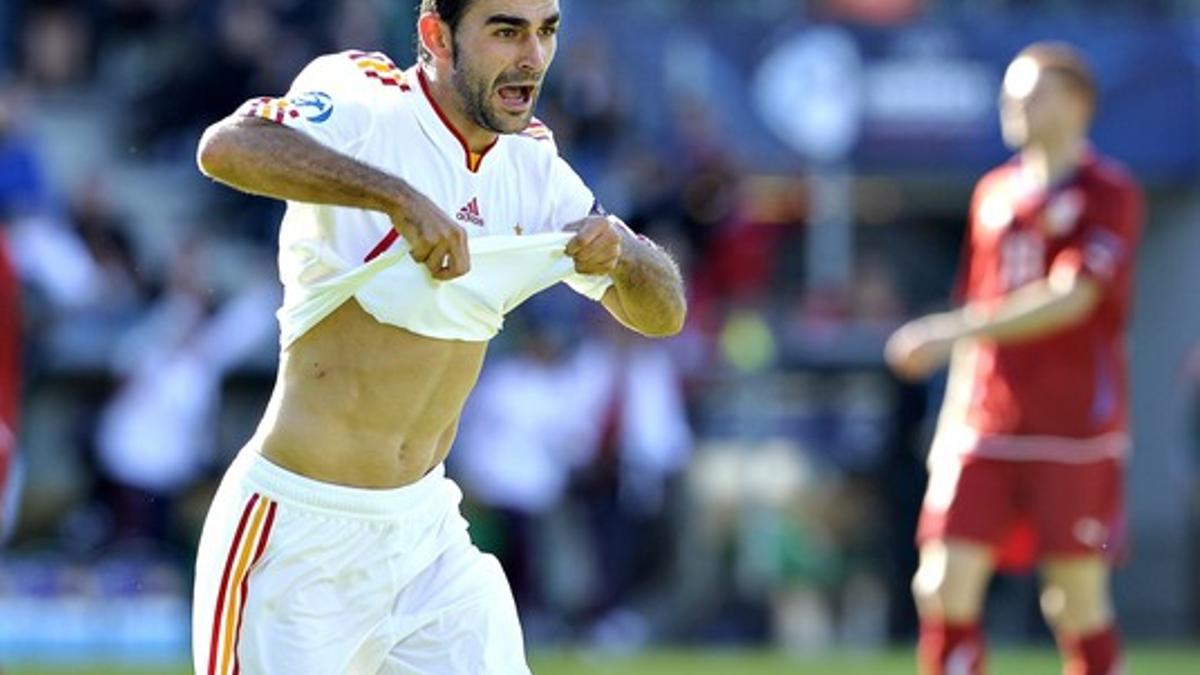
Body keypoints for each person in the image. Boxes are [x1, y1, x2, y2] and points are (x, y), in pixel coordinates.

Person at [190, 0, 686, 672]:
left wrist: (625, 253)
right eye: (506, 31)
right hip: (298, 533)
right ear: (435, 34)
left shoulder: (533, 165)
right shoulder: (364, 99)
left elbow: (664, 313)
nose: (532, 58)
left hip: (427, 536)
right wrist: (395, 197)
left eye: (547, 32)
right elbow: (226, 147)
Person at [885, 42, 1142, 675]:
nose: (1015, 104)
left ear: (1078, 104)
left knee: (1074, 602)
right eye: (1010, 93)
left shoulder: (1108, 192)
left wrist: (952, 330)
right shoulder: (993, 193)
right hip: (987, 424)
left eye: (1032, 92)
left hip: (1073, 426)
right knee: (941, 584)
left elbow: (1074, 298)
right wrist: (949, 427)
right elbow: (979, 308)